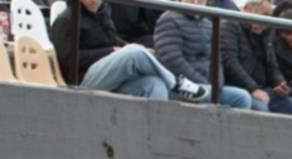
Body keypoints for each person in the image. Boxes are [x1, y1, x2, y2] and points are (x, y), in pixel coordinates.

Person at [51, 0, 207, 102]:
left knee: (154, 84)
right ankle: (176, 83)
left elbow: (114, 40)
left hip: (110, 76)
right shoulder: (66, 20)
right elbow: (67, 60)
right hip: (82, 80)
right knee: (134, 52)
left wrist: (125, 48)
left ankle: (155, 133)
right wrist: (110, 51)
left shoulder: (103, 14)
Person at [154, 0, 256, 109]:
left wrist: (217, 85)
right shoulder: (169, 19)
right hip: (182, 86)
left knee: (242, 97)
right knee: (210, 97)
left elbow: (217, 59)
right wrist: (202, 83)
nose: (196, 2)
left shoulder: (208, 24)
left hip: (209, 86)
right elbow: (171, 60)